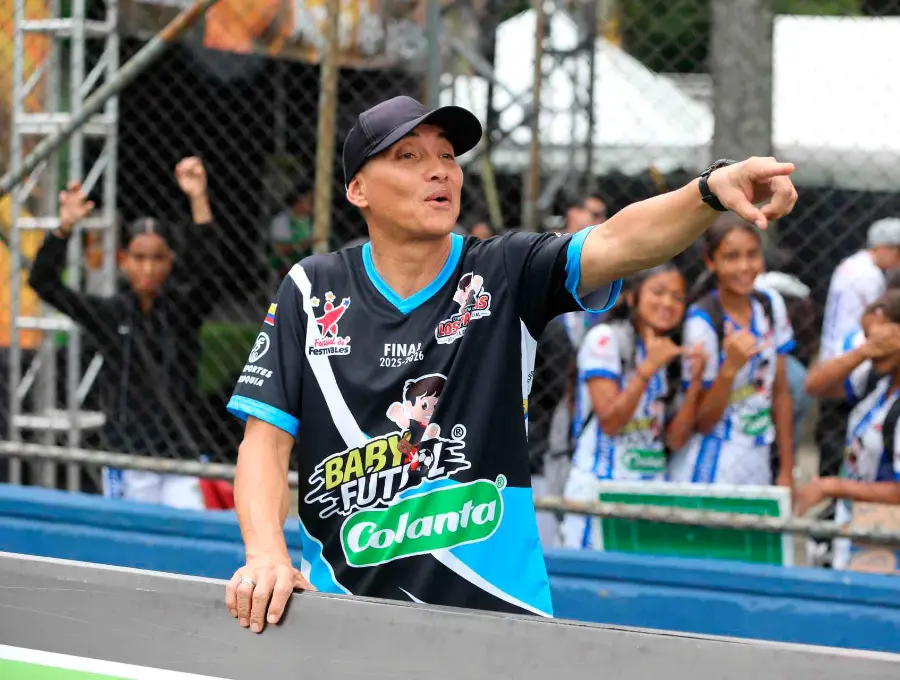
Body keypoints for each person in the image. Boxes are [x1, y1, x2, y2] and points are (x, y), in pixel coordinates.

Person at [223, 95, 797, 633]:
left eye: (448, 155)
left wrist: (709, 191)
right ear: (358, 190)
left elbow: (619, 242)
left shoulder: (504, 271)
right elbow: (264, 441)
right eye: (409, 156)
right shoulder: (312, 288)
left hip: (497, 621)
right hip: (344, 619)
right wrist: (267, 556)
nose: (441, 170)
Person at [28, 158, 219, 509]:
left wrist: (198, 200)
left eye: (158, 258)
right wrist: (65, 228)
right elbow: (44, 283)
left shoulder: (181, 311)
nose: (148, 267)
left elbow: (210, 273)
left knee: (186, 540)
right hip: (127, 456)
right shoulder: (110, 312)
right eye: (139, 257)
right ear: (123, 260)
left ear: (170, 261)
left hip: (181, 454)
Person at [560, 265, 706, 549]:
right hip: (600, 489)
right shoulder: (605, 340)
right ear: (632, 297)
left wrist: (696, 381)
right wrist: (647, 369)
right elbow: (611, 423)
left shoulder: (672, 351)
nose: (668, 303)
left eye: (677, 297)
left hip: (651, 492)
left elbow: (675, 439)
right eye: (658, 292)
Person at [668, 216, 795, 488]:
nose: (745, 267)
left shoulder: (770, 304)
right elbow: (703, 422)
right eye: (731, 257)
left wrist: (786, 469)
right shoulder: (702, 322)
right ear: (711, 262)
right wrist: (729, 369)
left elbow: (781, 392)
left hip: (758, 456)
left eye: (753, 255)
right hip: (713, 462)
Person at [799, 291, 900, 568]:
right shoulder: (877, 382)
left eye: (878, 338)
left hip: (889, 537)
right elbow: (814, 385)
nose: (873, 347)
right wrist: (861, 353)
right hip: (858, 527)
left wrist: (834, 486)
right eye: (867, 336)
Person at [816, 217, 900, 478]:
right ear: (883, 248)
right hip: (857, 357)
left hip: (838, 353)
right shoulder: (871, 276)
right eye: (897, 253)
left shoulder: (850, 265)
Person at [268, 183, 315, 279]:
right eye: (310, 201)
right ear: (298, 201)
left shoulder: (313, 220)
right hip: (285, 267)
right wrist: (304, 244)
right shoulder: (283, 220)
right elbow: (280, 250)